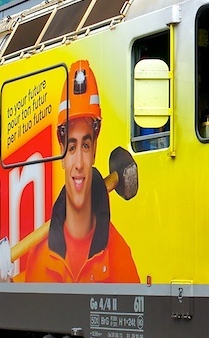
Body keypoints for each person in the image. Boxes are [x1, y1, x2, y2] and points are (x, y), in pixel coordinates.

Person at [18, 60, 138, 283]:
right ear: (61, 153)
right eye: (72, 148)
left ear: (94, 151)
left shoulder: (118, 254)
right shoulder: (39, 255)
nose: (79, 163)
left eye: (86, 145)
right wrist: (5, 286)